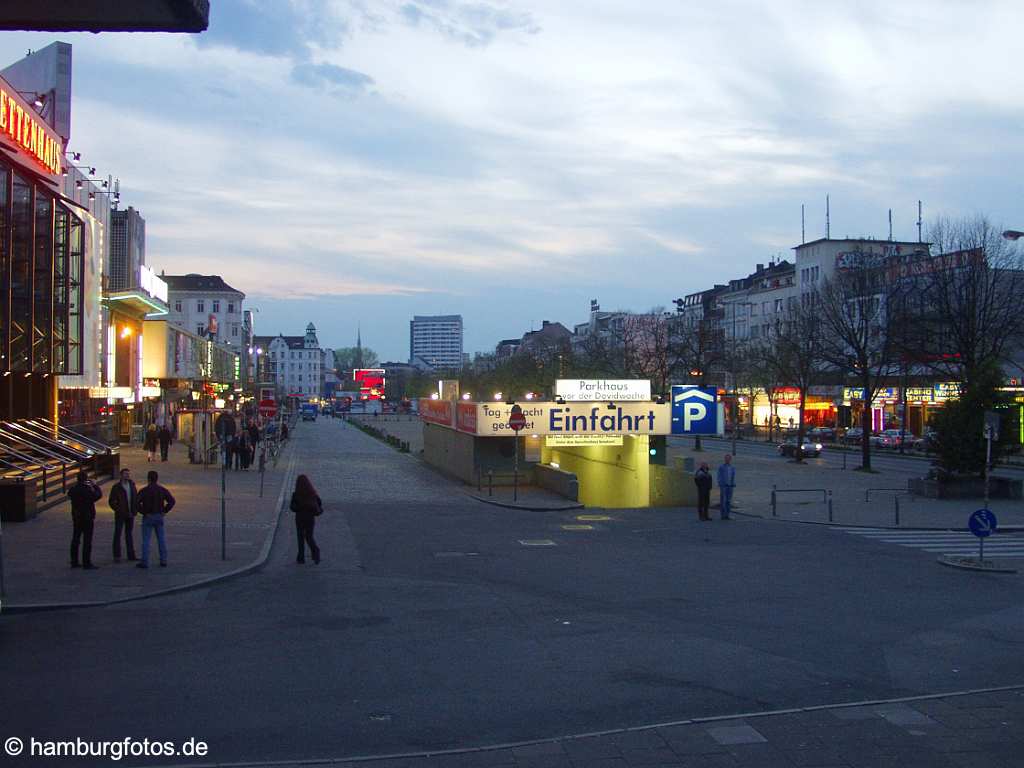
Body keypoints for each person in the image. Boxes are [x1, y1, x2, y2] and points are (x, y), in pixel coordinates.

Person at [136, 470, 176, 569]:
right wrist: (165, 511)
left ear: (148, 479)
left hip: (148, 516)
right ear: (157, 478)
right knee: (161, 539)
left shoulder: (144, 490)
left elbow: (136, 503)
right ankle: (163, 560)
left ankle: (145, 561)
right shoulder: (161, 490)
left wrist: (143, 512)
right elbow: (171, 501)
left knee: (146, 540)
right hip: (159, 515)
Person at [68, 470, 102, 569]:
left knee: (76, 539)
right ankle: (86, 562)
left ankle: (74, 561)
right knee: (87, 540)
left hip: (77, 516)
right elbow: (97, 496)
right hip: (87, 516)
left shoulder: (74, 489)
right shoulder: (87, 490)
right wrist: (94, 486)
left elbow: (70, 494)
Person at [289, 474, 322, 564]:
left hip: (299, 518)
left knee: (300, 537)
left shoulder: (296, 494)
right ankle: (315, 551)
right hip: (310, 518)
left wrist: (299, 508)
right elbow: (319, 505)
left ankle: (301, 557)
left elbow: (292, 507)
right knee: (309, 536)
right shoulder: (312, 494)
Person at [108, 468, 138, 561]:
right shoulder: (116, 487)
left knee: (129, 534)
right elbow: (111, 501)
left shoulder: (132, 485)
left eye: (128, 474)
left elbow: (135, 497)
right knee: (118, 533)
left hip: (130, 513)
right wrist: (118, 509)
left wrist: (134, 510)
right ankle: (117, 555)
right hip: (121, 514)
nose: (127, 476)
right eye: (125, 474)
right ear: (121, 475)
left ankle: (131, 555)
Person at [716, 454, 736, 520]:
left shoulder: (732, 467)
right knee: (723, 501)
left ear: (730, 460)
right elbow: (719, 476)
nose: (727, 460)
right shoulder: (721, 467)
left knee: (728, 501)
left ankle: (727, 515)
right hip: (724, 486)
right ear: (724, 459)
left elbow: (733, 476)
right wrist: (720, 483)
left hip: (730, 486)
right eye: (726, 458)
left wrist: (733, 484)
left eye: (728, 459)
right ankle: (723, 515)